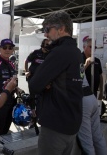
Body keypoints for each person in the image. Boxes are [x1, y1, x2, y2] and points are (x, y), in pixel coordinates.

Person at [29, 11, 84, 155]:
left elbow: (34, 85)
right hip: (71, 123)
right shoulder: (77, 52)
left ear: (61, 29)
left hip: (56, 125)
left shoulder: (60, 52)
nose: (46, 35)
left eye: (47, 30)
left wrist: (47, 83)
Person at [77, 76, 107, 155]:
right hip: (91, 97)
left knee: (87, 144)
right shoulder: (79, 63)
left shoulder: (61, 63)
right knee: (98, 138)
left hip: (82, 101)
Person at [24, 38, 50, 113]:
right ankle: (32, 112)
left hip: (42, 79)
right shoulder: (35, 52)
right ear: (43, 45)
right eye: (47, 44)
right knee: (32, 95)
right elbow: (26, 61)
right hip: (32, 77)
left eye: (49, 45)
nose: (48, 46)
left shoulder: (50, 54)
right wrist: (26, 71)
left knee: (41, 97)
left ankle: (39, 113)